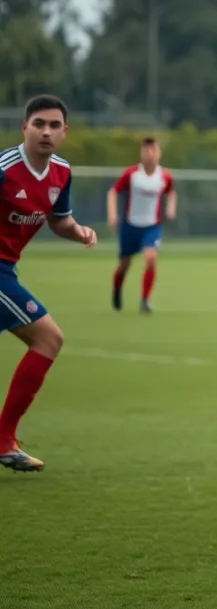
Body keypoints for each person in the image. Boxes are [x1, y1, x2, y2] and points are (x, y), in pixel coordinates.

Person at [0, 95, 97, 472]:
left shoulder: (61, 172)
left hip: (7, 270)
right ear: (24, 127)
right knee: (49, 338)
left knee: (47, 339)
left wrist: (80, 233)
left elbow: (58, 220)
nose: (46, 131)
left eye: (54, 125)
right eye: (38, 123)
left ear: (64, 132)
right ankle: (4, 439)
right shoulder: (5, 169)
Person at [107, 136, 176, 313]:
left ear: (159, 153)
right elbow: (113, 192)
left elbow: (171, 192)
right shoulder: (131, 174)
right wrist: (113, 214)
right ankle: (117, 288)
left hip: (152, 226)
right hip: (130, 226)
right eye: (147, 150)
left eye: (154, 150)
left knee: (151, 258)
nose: (150, 154)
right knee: (124, 264)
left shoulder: (165, 176)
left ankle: (144, 300)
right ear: (141, 153)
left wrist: (171, 207)